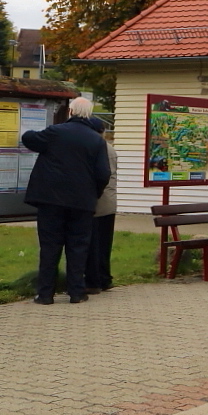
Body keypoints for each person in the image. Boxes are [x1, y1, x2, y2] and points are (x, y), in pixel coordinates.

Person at [22, 96, 110, 305]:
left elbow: (29, 139)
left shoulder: (55, 132)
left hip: (50, 200)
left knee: (50, 246)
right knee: (78, 247)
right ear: (89, 114)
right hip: (82, 203)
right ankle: (76, 292)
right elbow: (103, 174)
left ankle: (45, 294)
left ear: (70, 112)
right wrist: (93, 194)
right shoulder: (97, 140)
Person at [84, 120, 118, 293]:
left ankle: (94, 280)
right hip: (109, 202)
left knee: (94, 244)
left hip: (98, 202)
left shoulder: (97, 148)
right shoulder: (109, 147)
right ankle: (104, 278)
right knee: (105, 244)